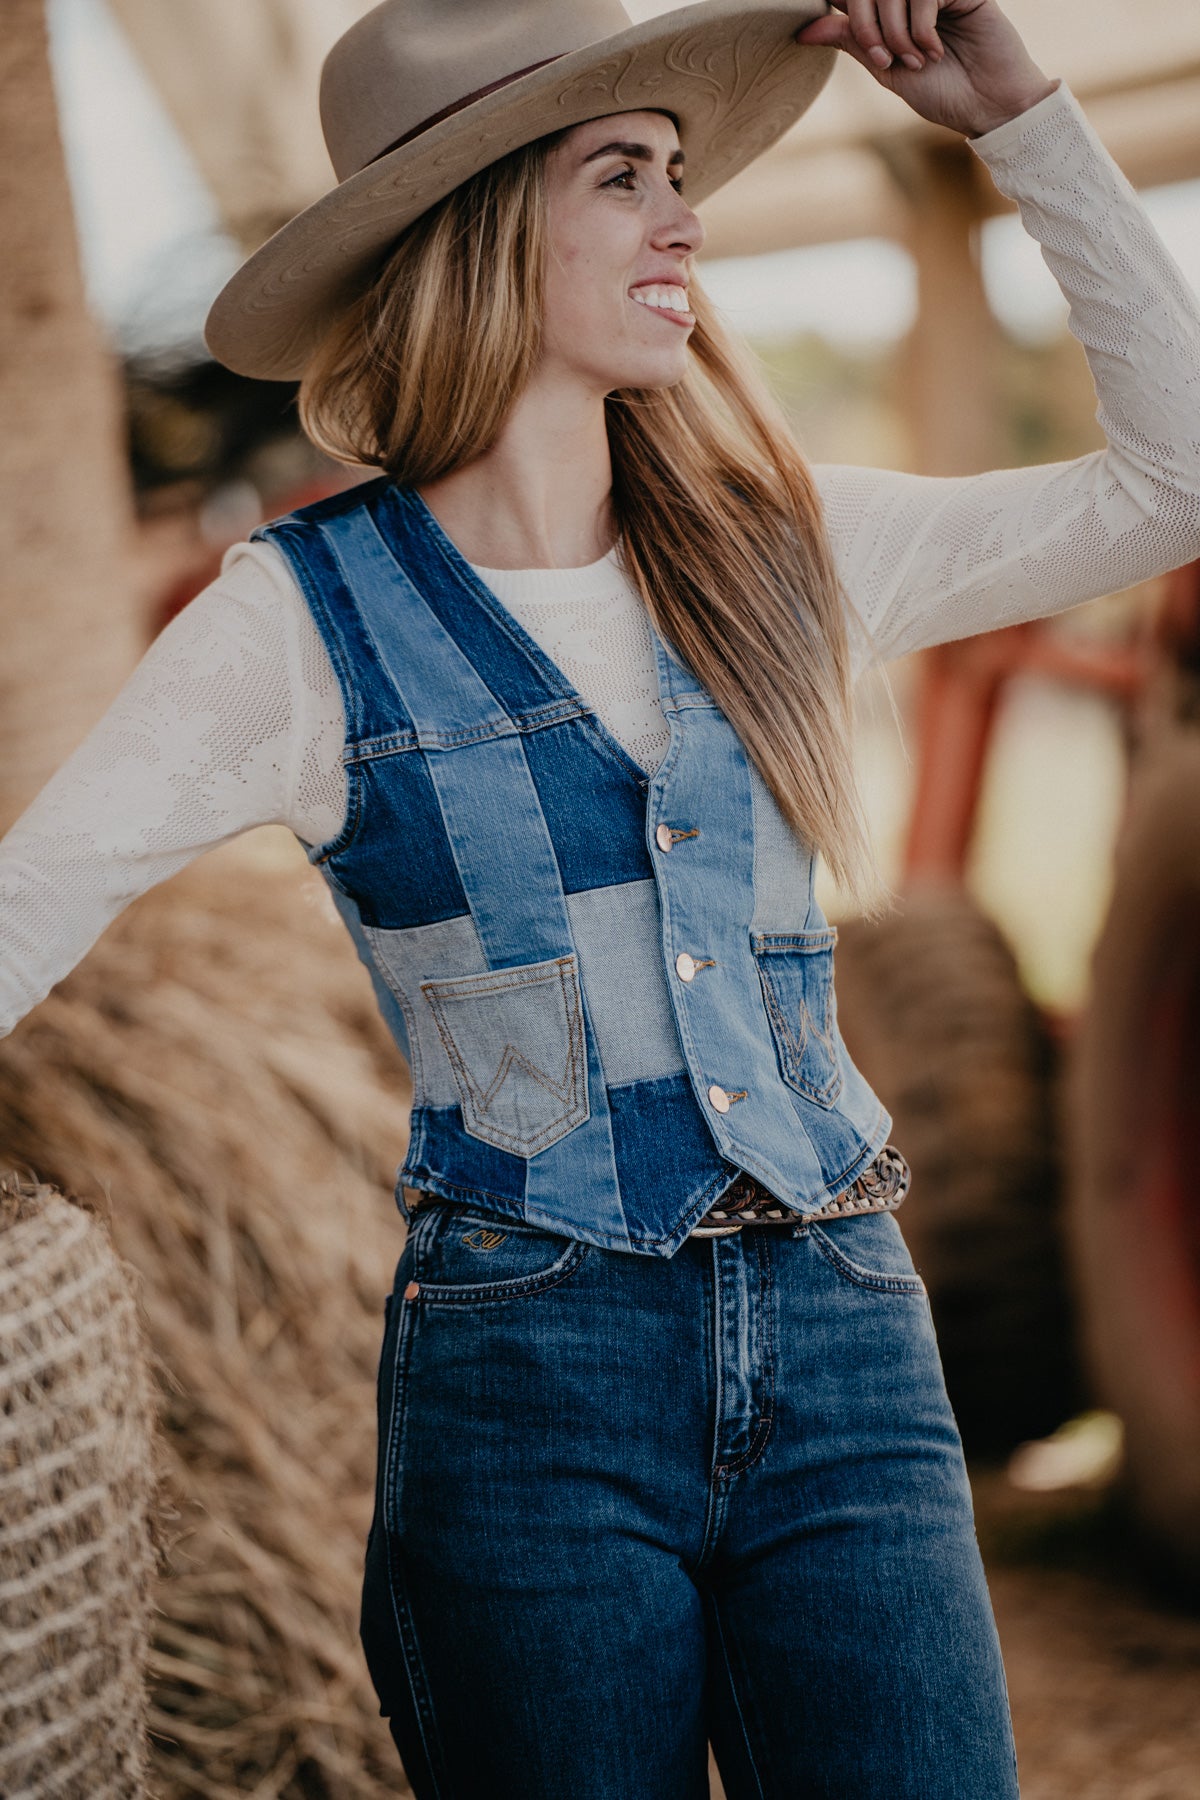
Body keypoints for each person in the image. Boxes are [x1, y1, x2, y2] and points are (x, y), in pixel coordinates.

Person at [3, 0, 1199, 1793]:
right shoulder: (295, 622)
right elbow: (30, 902)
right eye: (623, 176)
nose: (685, 220)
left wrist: (1018, 119)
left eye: (680, 173)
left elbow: (1174, 481)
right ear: (483, 229)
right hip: (525, 1380)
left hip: (850, 1346)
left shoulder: (791, 542)